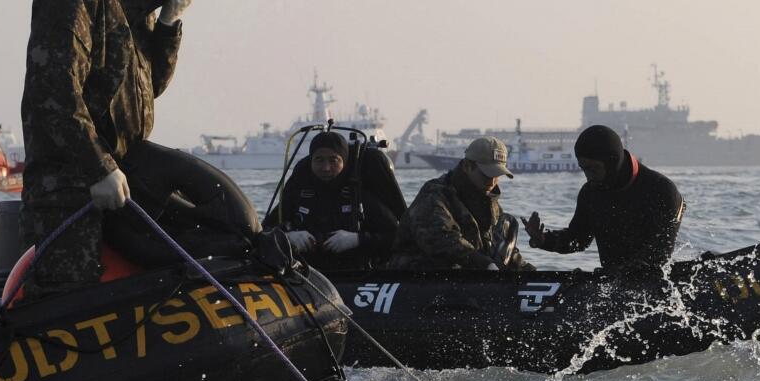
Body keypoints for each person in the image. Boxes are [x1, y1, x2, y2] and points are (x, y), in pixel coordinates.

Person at [20, 0, 217, 296]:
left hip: (125, 189)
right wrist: (98, 168)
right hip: (70, 196)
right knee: (69, 314)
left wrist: (168, 23)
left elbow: (146, 91)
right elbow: (53, 93)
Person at [523, 124, 683, 278]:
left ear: (612, 162)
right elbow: (578, 240)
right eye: (583, 169)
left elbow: (659, 253)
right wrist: (543, 240)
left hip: (652, 287)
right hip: (610, 283)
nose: (588, 176)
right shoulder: (590, 193)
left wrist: (617, 275)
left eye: (593, 169)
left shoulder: (662, 191)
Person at [388, 136, 532, 271]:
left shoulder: (491, 206)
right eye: (487, 174)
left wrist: (528, 273)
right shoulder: (434, 196)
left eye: (497, 175)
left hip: (467, 279)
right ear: (467, 166)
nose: (492, 181)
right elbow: (442, 240)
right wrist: (485, 265)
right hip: (417, 276)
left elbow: (499, 245)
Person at [264, 131, 400, 271]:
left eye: (333, 160)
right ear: (311, 161)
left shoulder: (360, 194)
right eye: (319, 160)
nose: (326, 168)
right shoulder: (299, 192)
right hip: (306, 274)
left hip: (354, 273)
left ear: (344, 161)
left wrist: (358, 240)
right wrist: (288, 237)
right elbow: (263, 232)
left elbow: (395, 236)